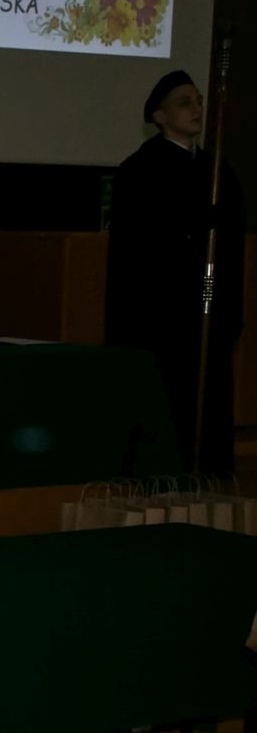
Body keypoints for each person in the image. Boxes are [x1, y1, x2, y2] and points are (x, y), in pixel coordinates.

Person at [106, 69, 246, 475]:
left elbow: (232, 245)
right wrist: (198, 222)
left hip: (208, 308)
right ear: (159, 116)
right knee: (165, 398)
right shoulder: (140, 170)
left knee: (207, 396)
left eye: (199, 101)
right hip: (161, 315)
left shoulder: (217, 170)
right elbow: (144, 243)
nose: (197, 109)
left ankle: (208, 470)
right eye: (185, 103)